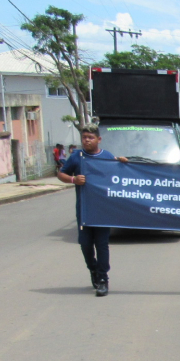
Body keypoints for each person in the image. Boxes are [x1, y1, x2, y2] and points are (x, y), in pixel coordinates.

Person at [57, 125, 127, 297]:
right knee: (85, 244)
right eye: (84, 137)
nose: (87, 140)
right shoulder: (76, 157)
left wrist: (122, 163)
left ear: (98, 139)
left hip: (102, 210)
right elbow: (61, 174)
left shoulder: (107, 156)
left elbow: (117, 174)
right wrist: (73, 179)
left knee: (102, 245)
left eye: (90, 137)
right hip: (84, 211)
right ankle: (93, 270)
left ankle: (103, 279)